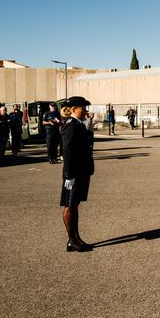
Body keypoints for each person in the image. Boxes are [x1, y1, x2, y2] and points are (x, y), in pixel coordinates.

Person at [60, 96, 94, 252]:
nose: (85, 110)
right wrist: (69, 175)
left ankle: (76, 237)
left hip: (80, 171)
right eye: (83, 108)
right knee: (69, 205)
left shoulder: (78, 124)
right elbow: (67, 152)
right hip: (73, 173)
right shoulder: (71, 126)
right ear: (74, 109)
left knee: (75, 205)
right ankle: (71, 240)